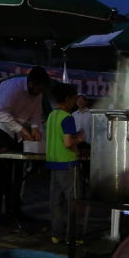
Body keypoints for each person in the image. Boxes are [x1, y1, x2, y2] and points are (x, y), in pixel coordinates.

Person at [0, 66, 51, 220]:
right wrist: (22, 129)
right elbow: (0, 112)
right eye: (39, 87)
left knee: (16, 172)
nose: (40, 91)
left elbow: (35, 114)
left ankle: (13, 208)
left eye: (43, 89)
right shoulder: (13, 88)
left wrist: (35, 128)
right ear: (31, 83)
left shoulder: (38, 93)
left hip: (16, 132)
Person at [46, 83, 86, 244]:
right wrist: (80, 138)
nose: (75, 102)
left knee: (55, 201)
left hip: (53, 163)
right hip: (68, 164)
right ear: (67, 99)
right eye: (74, 99)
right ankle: (72, 236)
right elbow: (68, 142)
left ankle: (57, 234)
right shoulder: (67, 117)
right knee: (73, 201)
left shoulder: (51, 116)